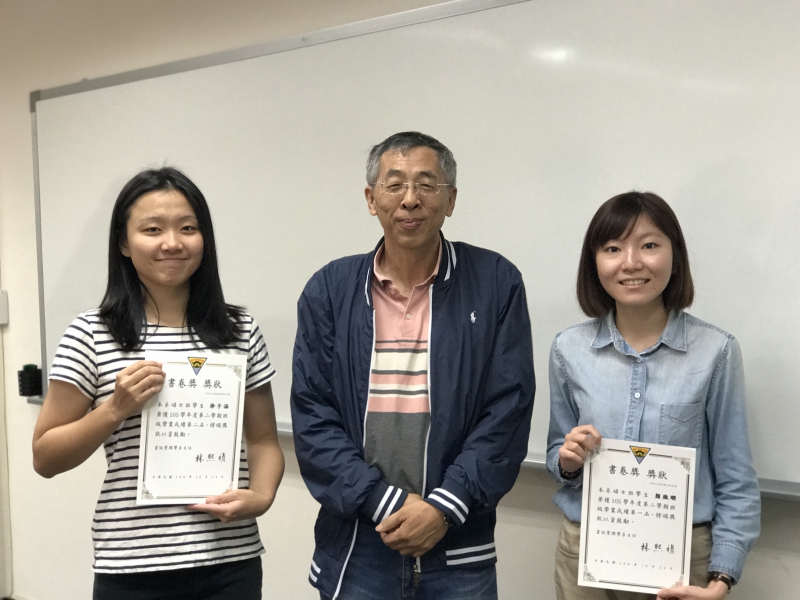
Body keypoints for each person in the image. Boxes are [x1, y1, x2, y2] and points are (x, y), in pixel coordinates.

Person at [290, 131, 535, 599]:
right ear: (371, 199)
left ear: (451, 199)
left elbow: (508, 409)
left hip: (457, 539)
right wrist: (381, 502)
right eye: (394, 184)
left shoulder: (495, 282)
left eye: (426, 184)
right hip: (359, 540)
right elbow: (313, 414)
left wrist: (443, 507)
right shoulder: (330, 289)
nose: (410, 199)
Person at [32, 167, 284, 600]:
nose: (172, 243)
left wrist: (261, 495)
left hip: (229, 561)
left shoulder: (239, 329)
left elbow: (263, 440)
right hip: (132, 565)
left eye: (187, 228)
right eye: (152, 229)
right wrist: (114, 409)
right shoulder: (91, 333)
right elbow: (45, 457)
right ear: (124, 243)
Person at [547, 191, 761, 600]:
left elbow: (735, 475)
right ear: (594, 262)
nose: (630, 263)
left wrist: (722, 577)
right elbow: (558, 453)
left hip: (682, 557)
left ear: (674, 256)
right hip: (587, 550)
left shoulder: (715, 351)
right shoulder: (567, 349)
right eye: (613, 248)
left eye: (648, 245)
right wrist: (568, 460)